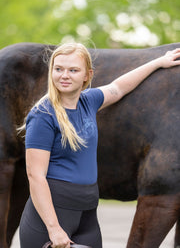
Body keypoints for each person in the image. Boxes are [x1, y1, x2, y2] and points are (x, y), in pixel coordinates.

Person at [19, 42, 180, 248]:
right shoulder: (43, 115)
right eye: (58, 69)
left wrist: (158, 62)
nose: (64, 75)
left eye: (73, 70)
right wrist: (54, 228)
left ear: (87, 75)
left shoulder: (88, 101)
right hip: (52, 217)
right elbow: (35, 176)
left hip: (87, 213)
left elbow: (118, 87)